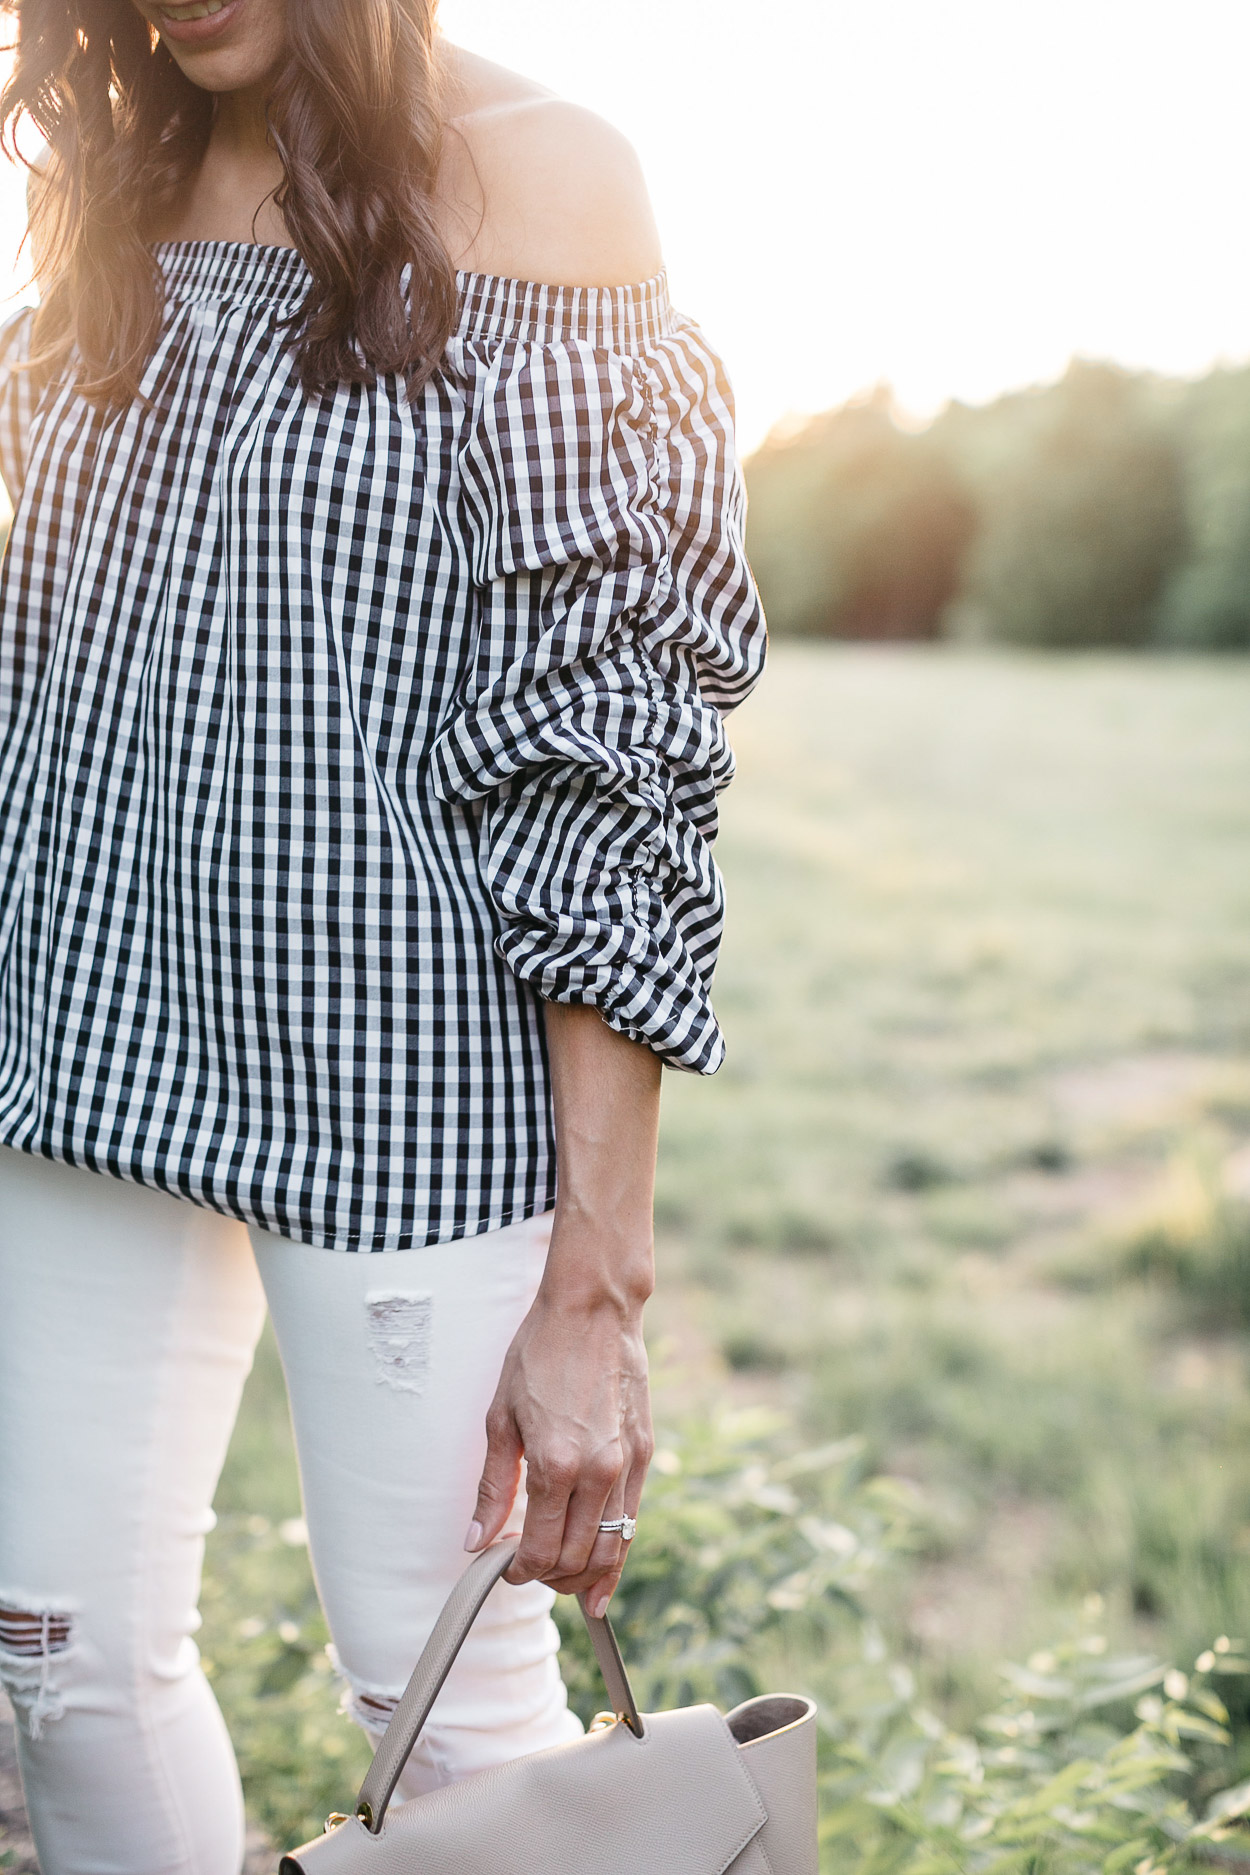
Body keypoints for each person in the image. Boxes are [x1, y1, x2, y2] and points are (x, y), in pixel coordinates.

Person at [0, 0, 766, 1867]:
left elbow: (608, 741)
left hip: (410, 1081)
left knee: (448, 1733)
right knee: (61, 1661)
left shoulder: (551, 182)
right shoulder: (121, 177)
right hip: (91, 1032)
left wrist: (597, 1282)